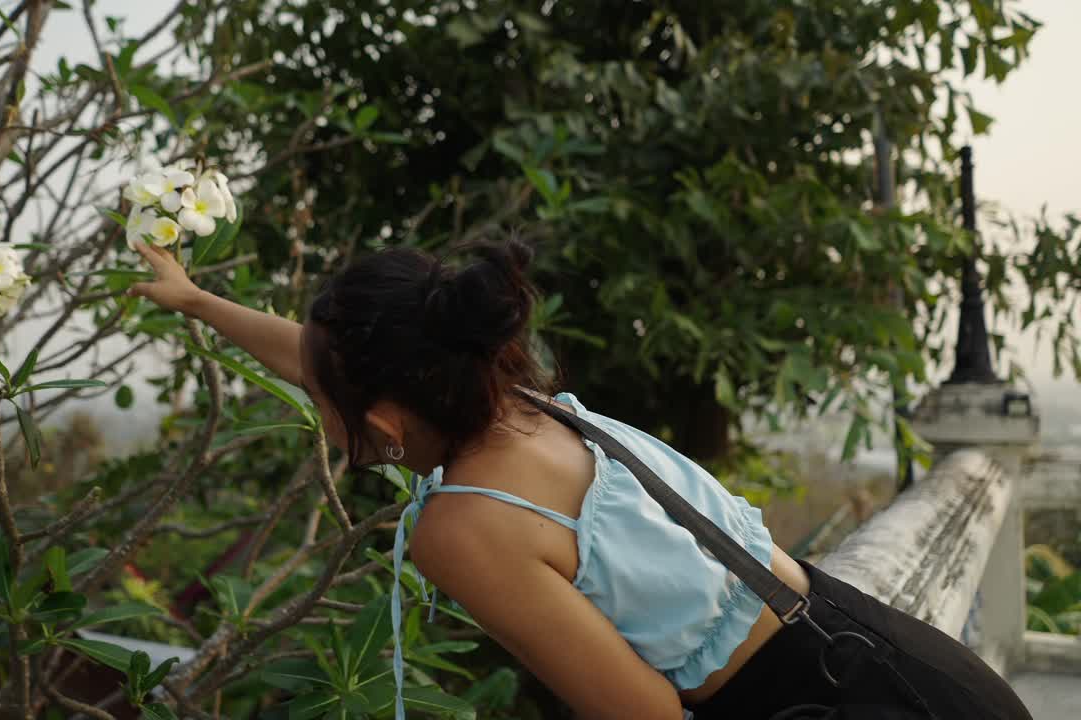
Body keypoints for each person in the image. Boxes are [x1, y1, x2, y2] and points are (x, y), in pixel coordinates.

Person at [128, 239, 1033, 720]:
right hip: (890, 656)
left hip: (815, 708)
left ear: (380, 422)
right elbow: (334, 360)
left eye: (326, 402)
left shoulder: (465, 525)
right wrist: (199, 301)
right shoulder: (524, 403)